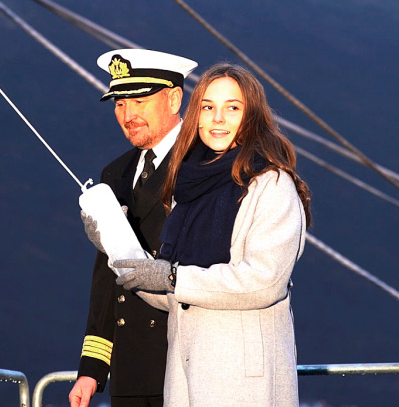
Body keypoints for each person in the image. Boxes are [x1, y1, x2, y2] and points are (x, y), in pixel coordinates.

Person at [114, 62, 311, 407]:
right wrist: (112, 240)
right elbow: (175, 295)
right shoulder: (188, 188)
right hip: (187, 377)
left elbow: (264, 282)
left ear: (252, 117)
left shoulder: (272, 184)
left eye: (232, 108)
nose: (217, 118)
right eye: (207, 107)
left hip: (244, 381)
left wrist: (172, 277)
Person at [69, 49, 198, 407]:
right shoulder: (116, 173)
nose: (127, 115)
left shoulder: (203, 163)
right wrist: (92, 369)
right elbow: (106, 282)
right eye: (119, 104)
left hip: (185, 366)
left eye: (139, 101)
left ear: (174, 98)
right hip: (130, 371)